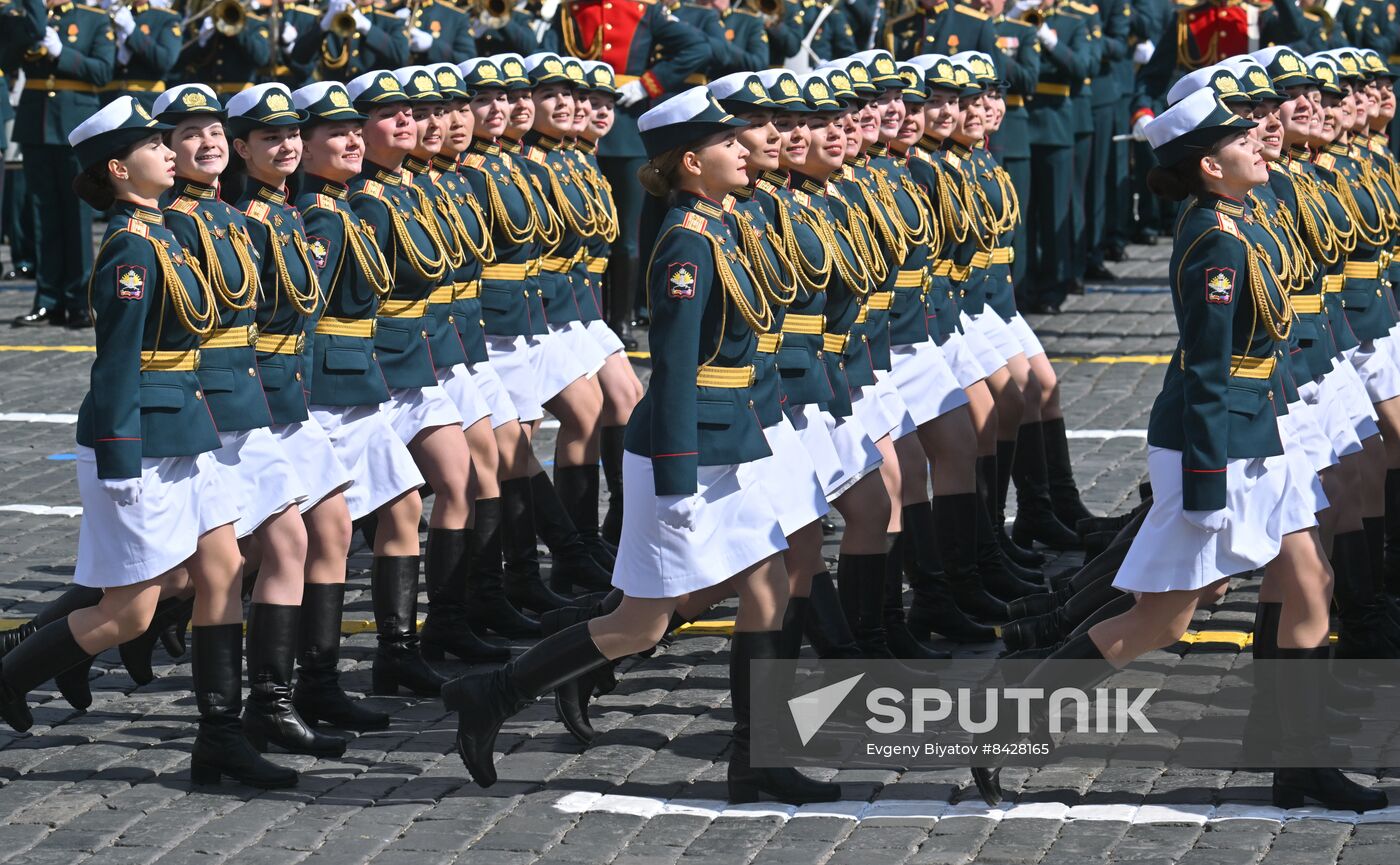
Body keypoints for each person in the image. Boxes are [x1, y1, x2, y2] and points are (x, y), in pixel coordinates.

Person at [971, 87, 1388, 815]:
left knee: (1309, 583)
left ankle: (1301, 764)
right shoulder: (1216, 243)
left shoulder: (1241, 219)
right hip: (1216, 443)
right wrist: (1206, 485)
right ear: (1208, 165)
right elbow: (1204, 370)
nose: (1258, 143)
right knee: (1159, 623)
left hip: (1256, 429)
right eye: (1240, 140)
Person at [442, 87, 843, 806]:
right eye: (728, 144)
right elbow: (679, 367)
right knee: (640, 623)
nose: (745, 150)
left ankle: (757, 758)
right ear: (692, 162)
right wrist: (678, 483)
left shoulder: (723, 225)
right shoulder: (686, 244)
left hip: (730, 437)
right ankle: (493, 693)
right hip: (686, 448)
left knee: (767, 585)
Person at [0, 96, 295, 789]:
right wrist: (120, 460)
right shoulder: (131, 248)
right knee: (129, 609)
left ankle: (220, 736)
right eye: (154, 146)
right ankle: (11, 674)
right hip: (143, 441)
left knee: (221, 571)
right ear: (118, 169)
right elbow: (115, 363)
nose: (170, 151)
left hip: (184, 429)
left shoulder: (164, 233)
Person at [226, 81, 390, 735]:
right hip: (261, 402)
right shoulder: (248, 223)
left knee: (331, 531)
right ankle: (30, 657)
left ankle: (310, 685)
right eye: (271, 137)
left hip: (290, 399)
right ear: (242, 149)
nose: (287, 144)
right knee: (183, 576)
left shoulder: (288, 214)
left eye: (291, 133)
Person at [289, 75, 439, 699]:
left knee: (403, 506)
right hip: (324, 387)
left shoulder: (344, 206)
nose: (353, 140)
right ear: (306, 143)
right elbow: (301, 313)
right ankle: (313, 679)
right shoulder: (319, 218)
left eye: (356, 129)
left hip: (357, 384)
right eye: (337, 132)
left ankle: (395, 653)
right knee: (273, 546)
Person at [9, 0, 115, 329]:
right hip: (37, 124)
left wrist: (62, 54)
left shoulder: (94, 19)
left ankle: (80, 300)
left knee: (77, 216)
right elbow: (8, 58)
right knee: (43, 216)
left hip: (74, 125)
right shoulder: (26, 15)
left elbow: (101, 71)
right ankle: (48, 300)